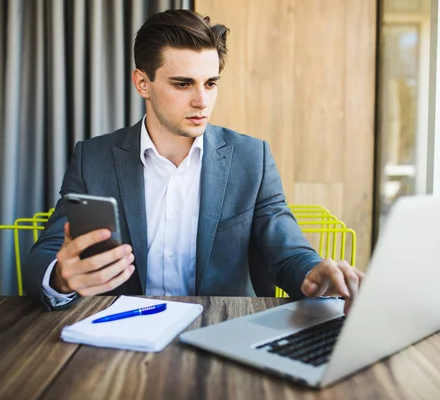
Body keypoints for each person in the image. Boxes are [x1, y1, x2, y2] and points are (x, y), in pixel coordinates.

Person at [23, 9, 364, 311]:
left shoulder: (251, 158)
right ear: (143, 82)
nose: (202, 101)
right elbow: (47, 253)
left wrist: (315, 273)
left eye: (211, 83)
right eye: (183, 84)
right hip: (120, 336)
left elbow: (288, 252)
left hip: (222, 331)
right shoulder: (93, 158)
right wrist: (62, 278)